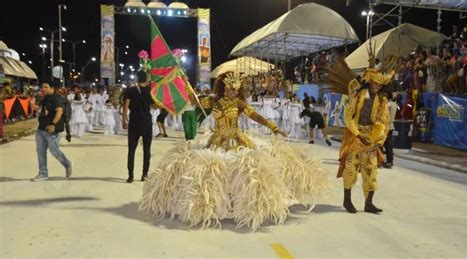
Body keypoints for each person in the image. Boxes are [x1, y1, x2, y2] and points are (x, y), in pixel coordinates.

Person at [140, 72, 330, 230]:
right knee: (213, 173)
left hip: (238, 139)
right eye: (231, 88)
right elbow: (195, 101)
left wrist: (273, 127)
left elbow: (256, 116)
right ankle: (217, 207)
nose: (234, 91)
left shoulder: (239, 104)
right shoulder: (214, 102)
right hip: (218, 140)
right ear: (224, 87)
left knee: (247, 171)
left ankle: (241, 206)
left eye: (236, 89)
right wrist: (186, 83)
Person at [337, 68, 392, 214]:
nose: (377, 87)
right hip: (355, 136)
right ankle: (347, 200)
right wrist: (357, 134)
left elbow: (383, 122)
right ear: (369, 82)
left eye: (379, 85)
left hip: (371, 137)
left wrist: (379, 140)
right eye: (375, 83)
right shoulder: (358, 95)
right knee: (351, 169)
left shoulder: (382, 101)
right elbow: (348, 117)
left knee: (371, 170)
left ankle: (369, 203)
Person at [31, 83, 72, 181]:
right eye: (42, 87)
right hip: (41, 129)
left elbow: (59, 111)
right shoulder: (45, 98)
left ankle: (67, 163)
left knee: (54, 151)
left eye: (46, 87)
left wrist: (53, 124)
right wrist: (33, 105)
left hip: (52, 130)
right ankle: (43, 173)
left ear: (52, 88)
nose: (43, 89)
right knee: (40, 152)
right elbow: (41, 110)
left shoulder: (56, 98)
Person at [122, 71, 154, 183]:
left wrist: (123, 120)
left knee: (131, 150)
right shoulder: (150, 91)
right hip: (146, 123)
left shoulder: (130, 90)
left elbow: (125, 107)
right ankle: (144, 175)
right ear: (146, 79)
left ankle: (130, 176)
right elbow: (155, 105)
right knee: (147, 150)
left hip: (134, 123)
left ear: (137, 79)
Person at [383, 92, 398, 169]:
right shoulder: (395, 105)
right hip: (391, 126)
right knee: (389, 146)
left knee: (380, 144)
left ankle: (380, 160)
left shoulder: (387, 105)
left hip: (384, 126)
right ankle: (390, 161)